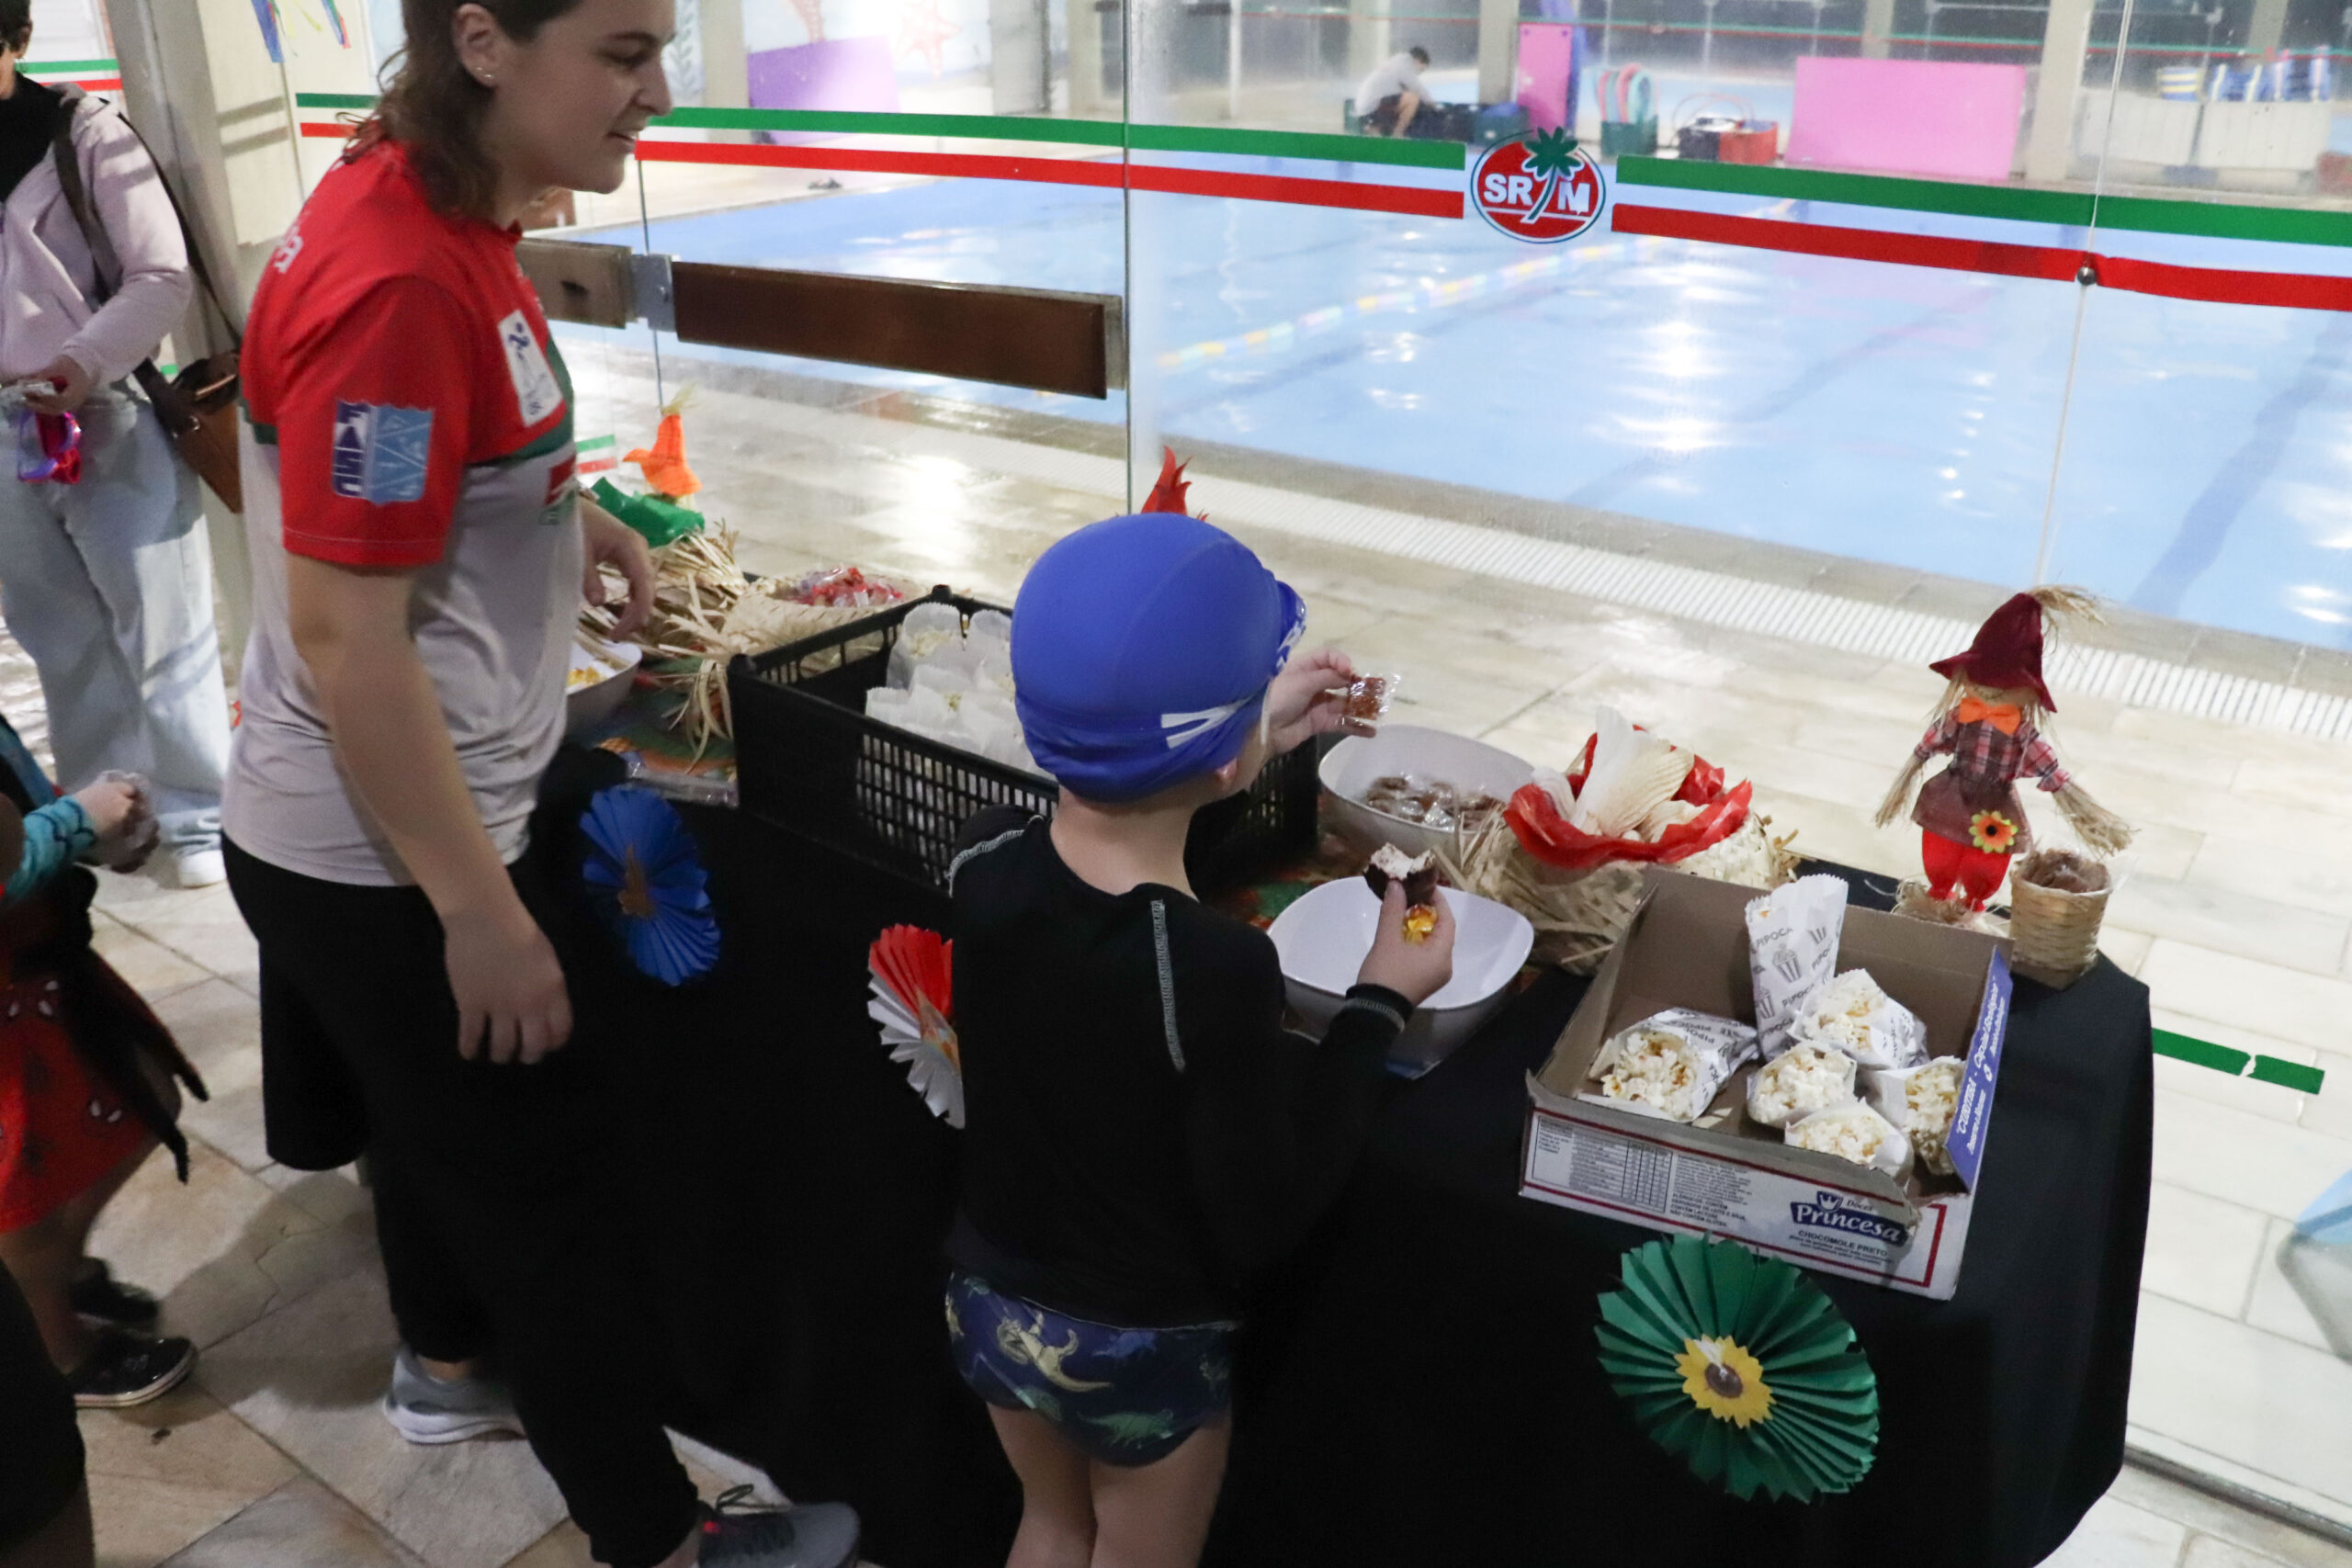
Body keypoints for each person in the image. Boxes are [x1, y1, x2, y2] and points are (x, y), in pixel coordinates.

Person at [219, 3, 857, 1566]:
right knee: (545, 1197)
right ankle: (663, 1534)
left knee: (436, 1134)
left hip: (365, 828)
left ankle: (447, 1365)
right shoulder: (395, 283)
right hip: (380, 850)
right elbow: (348, 635)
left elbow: (444, 459)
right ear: (486, 42)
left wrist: (574, 519)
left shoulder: (437, 200)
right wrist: (476, 908)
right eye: (625, 52)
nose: (661, 91)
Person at [944, 504, 1458, 1568]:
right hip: (1136, 1348)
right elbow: (1269, 1212)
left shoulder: (979, 861)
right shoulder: (1212, 969)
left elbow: (1120, 847)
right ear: (1225, 763)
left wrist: (1251, 730)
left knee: (1051, 1524)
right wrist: (1379, 1000)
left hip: (986, 1302)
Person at [0, 2, 235, 889]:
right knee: (59, 635)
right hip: (3, 431)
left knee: (164, 624)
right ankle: (113, 818)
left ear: (18, 41)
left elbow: (160, 274)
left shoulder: (85, 134)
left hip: (105, 413)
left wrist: (83, 361)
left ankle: (201, 817)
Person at [0, 712, 204, 1410]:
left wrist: (85, 828)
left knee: (148, 1097)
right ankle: (57, 1349)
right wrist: (74, 824)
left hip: (42, 973)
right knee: (23, 1197)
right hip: (13, 1001)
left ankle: (55, 1279)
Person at [1355, 45, 1431, 138]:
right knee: (1413, 99)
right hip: (1372, 108)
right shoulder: (1406, 64)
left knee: (1403, 98)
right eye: (1421, 70)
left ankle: (1374, 128)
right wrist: (1433, 104)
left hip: (1363, 110)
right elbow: (1418, 89)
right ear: (1417, 61)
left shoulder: (1395, 63)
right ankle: (1397, 135)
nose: (1418, 74)